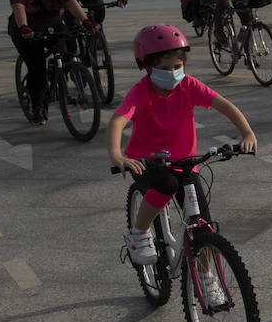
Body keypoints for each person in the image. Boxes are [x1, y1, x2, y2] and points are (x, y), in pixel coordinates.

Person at [107, 24, 257, 283]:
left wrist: (247, 134)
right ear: (146, 66)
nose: (173, 73)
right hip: (146, 164)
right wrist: (117, 155)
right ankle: (139, 234)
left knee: (203, 224)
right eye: (165, 69)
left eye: (177, 66)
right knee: (166, 184)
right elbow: (118, 120)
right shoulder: (141, 91)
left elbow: (225, 105)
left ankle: (207, 279)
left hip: (184, 164)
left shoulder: (188, 85)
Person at [8, 0, 94, 123]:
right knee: (37, 67)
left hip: (52, 21)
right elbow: (18, 6)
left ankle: (63, 70)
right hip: (27, 26)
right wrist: (23, 27)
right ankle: (38, 106)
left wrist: (85, 21)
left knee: (70, 45)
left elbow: (70, 2)